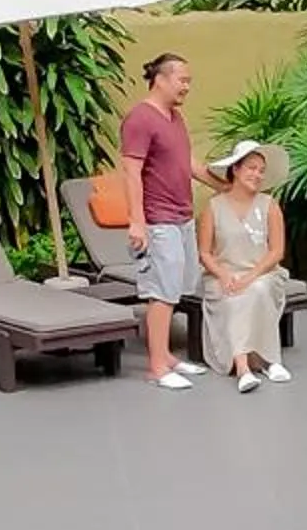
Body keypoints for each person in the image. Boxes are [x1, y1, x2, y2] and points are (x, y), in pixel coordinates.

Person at [117, 53, 230, 390]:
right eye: (182, 80)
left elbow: (190, 163)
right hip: (158, 219)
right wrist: (137, 221)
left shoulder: (175, 118)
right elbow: (130, 171)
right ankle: (156, 367)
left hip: (181, 216)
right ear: (161, 79)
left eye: (189, 81)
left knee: (177, 287)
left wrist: (225, 186)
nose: (187, 87)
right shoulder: (140, 119)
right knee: (162, 293)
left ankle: (166, 356)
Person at [196, 140, 292, 393]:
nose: (257, 174)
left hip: (264, 273)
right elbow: (205, 253)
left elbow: (276, 252)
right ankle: (246, 367)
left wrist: (249, 277)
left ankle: (264, 362)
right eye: (251, 168)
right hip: (222, 276)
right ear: (235, 170)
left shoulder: (270, 206)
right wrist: (224, 275)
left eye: (261, 170)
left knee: (256, 290)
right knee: (235, 294)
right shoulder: (213, 207)